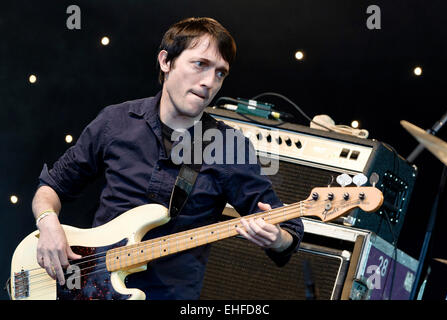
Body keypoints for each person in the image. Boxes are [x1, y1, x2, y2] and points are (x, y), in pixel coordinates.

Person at [32, 17, 303, 300]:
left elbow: (289, 228)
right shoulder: (116, 121)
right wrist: (48, 222)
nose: (209, 82)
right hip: (86, 289)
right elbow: (51, 187)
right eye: (200, 64)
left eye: (220, 73)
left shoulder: (229, 147)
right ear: (166, 61)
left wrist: (278, 239)